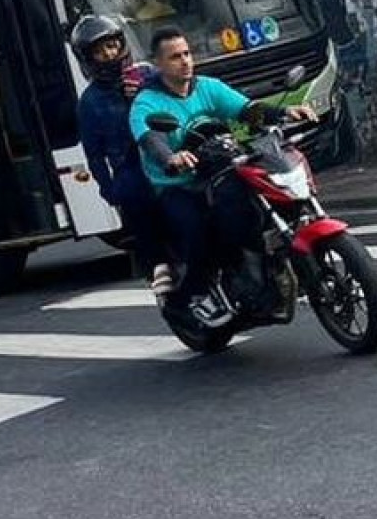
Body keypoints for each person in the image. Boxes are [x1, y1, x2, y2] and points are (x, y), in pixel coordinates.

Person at [128, 28, 302, 309]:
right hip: (179, 185)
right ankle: (191, 295)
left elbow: (246, 110)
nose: (185, 61)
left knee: (255, 205)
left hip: (220, 172)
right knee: (196, 231)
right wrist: (171, 158)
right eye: (174, 57)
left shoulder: (208, 87)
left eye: (186, 54)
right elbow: (151, 139)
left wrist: (283, 112)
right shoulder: (147, 102)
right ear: (158, 64)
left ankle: (263, 268)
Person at [68, 13, 154, 273]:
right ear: (88, 58)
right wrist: (111, 190)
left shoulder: (147, 76)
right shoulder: (90, 102)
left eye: (112, 45)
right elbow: (94, 156)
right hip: (132, 175)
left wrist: (142, 91)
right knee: (151, 248)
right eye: (99, 50)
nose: (108, 54)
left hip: (166, 162)